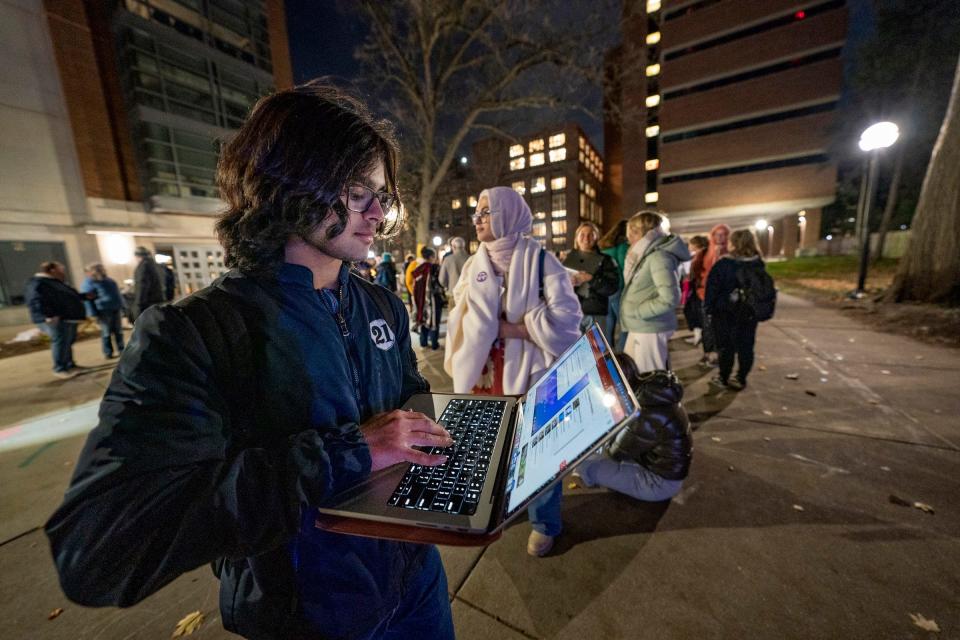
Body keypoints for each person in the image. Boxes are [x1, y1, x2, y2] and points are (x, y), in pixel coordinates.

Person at [45, 81, 456, 640]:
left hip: (416, 582)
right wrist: (349, 452)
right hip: (309, 618)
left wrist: (451, 444)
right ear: (290, 186)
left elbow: (409, 393)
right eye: (359, 193)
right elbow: (97, 550)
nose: (379, 213)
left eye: (383, 194)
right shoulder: (195, 334)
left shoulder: (380, 302)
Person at [444, 186, 581, 557]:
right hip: (486, 377)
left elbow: (569, 322)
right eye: (477, 212)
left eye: (486, 212)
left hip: (534, 377)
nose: (478, 220)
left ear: (508, 214)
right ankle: (498, 505)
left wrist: (514, 328)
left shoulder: (542, 262)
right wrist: (478, 325)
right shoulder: (474, 264)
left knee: (541, 451)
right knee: (493, 448)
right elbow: (458, 309)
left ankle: (544, 522)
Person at [573, 352, 692, 501]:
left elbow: (616, 453)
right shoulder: (649, 390)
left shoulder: (643, 413)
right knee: (596, 450)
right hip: (660, 468)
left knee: (585, 466)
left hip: (658, 484)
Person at [619, 211, 691, 373]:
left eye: (630, 233)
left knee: (650, 379)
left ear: (640, 232)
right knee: (637, 375)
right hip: (642, 326)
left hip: (650, 327)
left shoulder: (659, 256)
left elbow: (670, 298)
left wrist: (638, 311)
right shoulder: (646, 254)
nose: (628, 239)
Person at [704, 229, 768, 391]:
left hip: (724, 313)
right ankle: (740, 378)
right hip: (749, 314)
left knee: (726, 347)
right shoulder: (758, 264)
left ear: (732, 243)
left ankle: (723, 377)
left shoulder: (724, 264)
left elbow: (711, 290)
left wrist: (709, 309)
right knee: (746, 347)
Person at [25, 261, 87, 378]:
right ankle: (59, 368)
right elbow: (35, 300)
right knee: (60, 342)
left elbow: (68, 296)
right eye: (61, 269)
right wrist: (47, 315)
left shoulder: (56, 282)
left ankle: (70, 365)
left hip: (66, 317)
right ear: (52, 270)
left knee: (67, 342)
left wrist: (84, 297)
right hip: (53, 319)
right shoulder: (38, 282)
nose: (63, 272)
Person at [564, 222, 619, 333]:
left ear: (596, 237)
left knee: (595, 350)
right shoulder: (567, 260)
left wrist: (591, 279)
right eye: (582, 234)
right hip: (572, 313)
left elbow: (612, 288)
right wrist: (566, 283)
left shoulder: (606, 260)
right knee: (574, 350)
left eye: (590, 234)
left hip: (595, 314)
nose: (586, 238)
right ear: (577, 237)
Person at [691, 224, 730, 366]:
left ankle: (718, 354)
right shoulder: (705, 252)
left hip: (724, 296)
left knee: (721, 326)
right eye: (717, 234)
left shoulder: (731, 252)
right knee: (707, 325)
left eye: (724, 234)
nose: (720, 237)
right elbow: (695, 270)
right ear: (712, 236)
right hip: (705, 294)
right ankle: (707, 353)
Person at [80, 263, 125, 359]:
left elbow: (117, 294)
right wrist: (92, 313)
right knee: (106, 332)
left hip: (115, 308)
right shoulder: (89, 283)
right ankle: (108, 352)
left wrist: (122, 306)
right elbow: (88, 299)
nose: (102, 270)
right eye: (99, 269)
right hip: (103, 310)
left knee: (118, 331)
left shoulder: (109, 280)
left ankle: (122, 350)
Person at [599, 219, 630, 351]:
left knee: (609, 322)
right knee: (625, 326)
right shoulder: (622, 246)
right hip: (618, 288)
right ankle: (620, 354)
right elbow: (625, 268)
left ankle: (608, 351)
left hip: (606, 289)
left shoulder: (604, 245)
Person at [412, 246, 444, 350]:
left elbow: (414, 285)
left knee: (423, 318)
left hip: (420, 300)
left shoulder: (418, 269)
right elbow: (440, 283)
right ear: (431, 257)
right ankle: (434, 343)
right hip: (433, 299)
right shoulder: (434, 268)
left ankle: (423, 342)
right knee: (434, 320)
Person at [682, 235, 709, 346]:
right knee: (694, 311)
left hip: (697, 288)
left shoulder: (699, 256)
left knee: (694, 312)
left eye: (690, 244)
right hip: (697, 288)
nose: (689, 247)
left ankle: (699, 336)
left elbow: (693, 273)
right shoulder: (698, 255)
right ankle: (698, 335)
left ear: (696, 245)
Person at [132, 246, 165, 319]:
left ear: (137, 256)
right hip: (158, 301)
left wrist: (138, 305)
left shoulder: (143, 266)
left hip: (147, 304)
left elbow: (142, 286)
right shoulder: (156, 266)